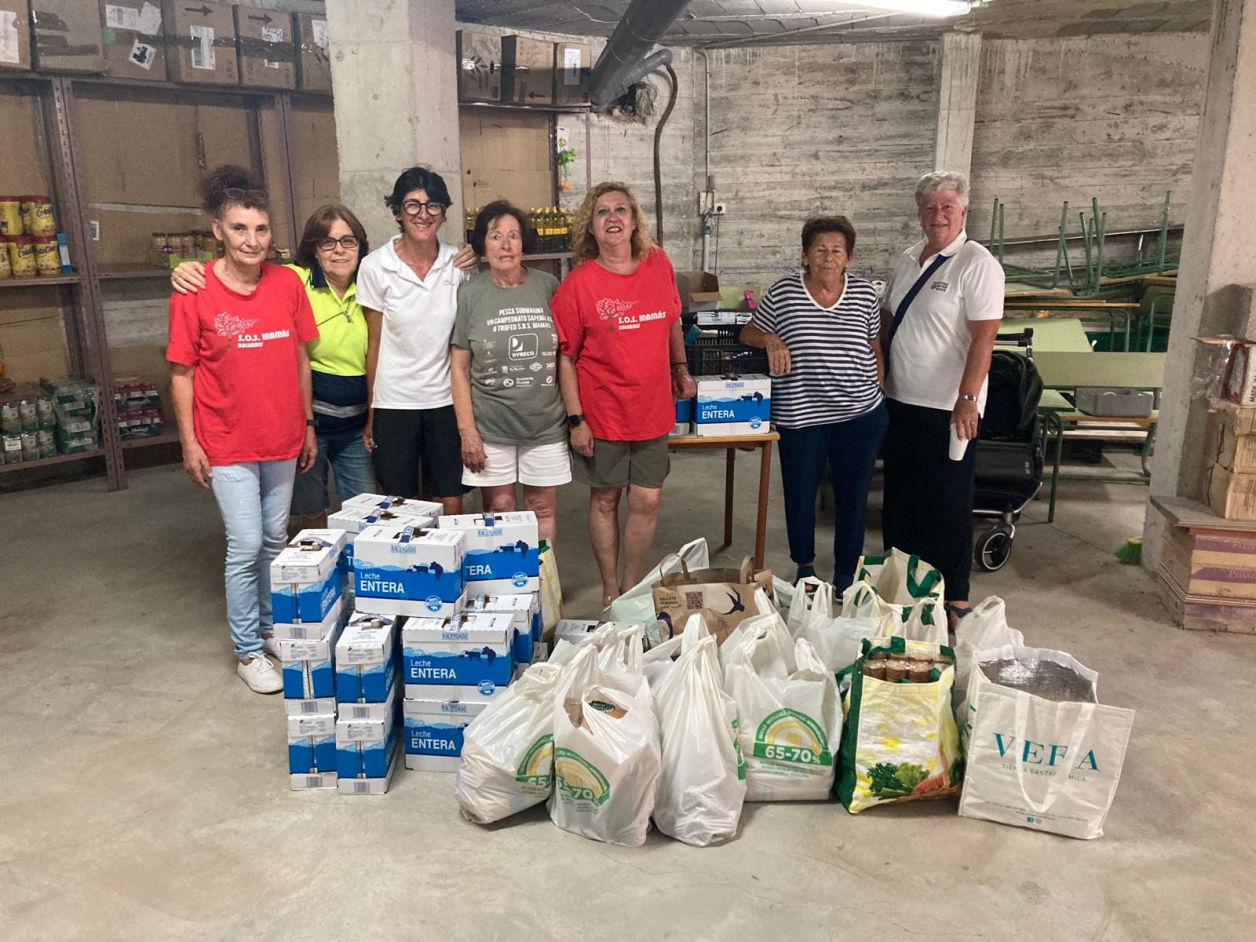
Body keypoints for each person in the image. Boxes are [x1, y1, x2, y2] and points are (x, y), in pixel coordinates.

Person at [166, 166, 318, 694]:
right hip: (226, 441)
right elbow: (182, 374)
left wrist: (306, 424)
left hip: (281, 435)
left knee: (276, 539)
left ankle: (273, 628)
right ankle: (247, 650)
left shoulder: (287, 283)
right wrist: (189, 443)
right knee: (245, 541)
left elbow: (301, 359)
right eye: (239, 229)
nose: (252, 241)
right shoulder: (194, 290)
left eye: (260, 229)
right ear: (218, 231)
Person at [171, 204, 376, 528]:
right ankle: (314, 576)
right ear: (314, 249)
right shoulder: (294, 280)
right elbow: (244, 269)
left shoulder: (372, 286)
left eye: (348, 241)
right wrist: (185, 268)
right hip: (311, 422)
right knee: (311, 510)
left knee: (367, 513)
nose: (339, 250)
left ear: (360, 246)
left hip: (356, 423)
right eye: (328, 242)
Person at [552, 182, 697, 608]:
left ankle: (632, 585)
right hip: (603, 411)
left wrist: (681, 368)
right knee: (605, 498)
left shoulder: (658, 264)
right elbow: (566, 357)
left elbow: (671, 319)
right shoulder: (578, 286)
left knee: (648, 499)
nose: (612, 217)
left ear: (634, 220)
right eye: (602, 212)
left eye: (621, 210)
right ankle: (610, 587)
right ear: (591, 228)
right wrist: (576, 419)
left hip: (652, 408)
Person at [880, 170, 1004, 629]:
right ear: (919, 213)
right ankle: (903, 581)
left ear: (964, 210)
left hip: (948, 406)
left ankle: (955, 594)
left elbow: (984, 338)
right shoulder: (909, 258)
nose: (938, 216)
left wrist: (968, 398)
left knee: (947, 499)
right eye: (930, 208)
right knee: (901, 496)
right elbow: (888, 320)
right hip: (899, 399)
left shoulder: (977, 263)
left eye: (947, 207)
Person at [740, 216, 886, 589]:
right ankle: (804, 567)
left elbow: (873, 346)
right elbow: (749, 330)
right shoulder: (784, 292)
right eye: (819, 249)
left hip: (859, 413)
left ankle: (845, 574)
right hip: (802, 415)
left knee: (852, 497)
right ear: (805, 255)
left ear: (849, 258)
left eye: (837, 250)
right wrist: (771, 340)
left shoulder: (866, 294)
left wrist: (879, 390)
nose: (828, 256)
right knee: (800, 493)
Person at [356, 166, 472, 514]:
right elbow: (373, 345)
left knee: (450, 496)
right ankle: (407, 567)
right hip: (396, 403)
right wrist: (372, 412)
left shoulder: (460, 263)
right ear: (397, 212)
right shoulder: (376, 267)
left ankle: (449, 564)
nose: (423, 214)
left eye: (432, 205)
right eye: (413, 205)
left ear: (444, 212)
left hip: (445, 400)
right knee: (399, 501)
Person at [450, 201, 567, 540]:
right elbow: (459, 366)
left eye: (513, 236)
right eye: (496, 236)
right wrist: (467, 431)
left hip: (545, 423)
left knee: (540, 508)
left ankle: (542, 585)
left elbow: (565, 357)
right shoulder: (470, 293)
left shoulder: (548, 286)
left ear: (523, 243)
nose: (505, 245)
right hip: (490, 425)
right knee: (499, 507)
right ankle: (504, 590)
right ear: (482, 245)